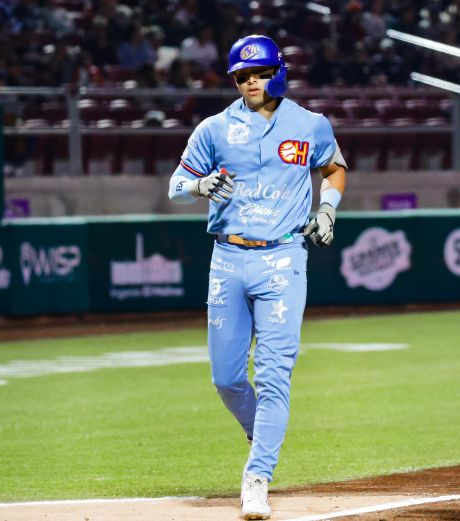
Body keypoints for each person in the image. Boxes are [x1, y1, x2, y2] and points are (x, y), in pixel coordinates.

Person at [167, 34, 347, 520]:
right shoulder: (214, 129)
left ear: (278, 73)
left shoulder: (310, 124)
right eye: (242, 76)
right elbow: (176, 186)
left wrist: (328, 209)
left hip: (283, 258)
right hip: (227, 258)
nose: (250, 82)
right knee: (226, 378)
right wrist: (200, 184)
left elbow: (333, 170)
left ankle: (257, 476)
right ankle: (260, 431)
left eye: (260, 73)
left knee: (273, 374)